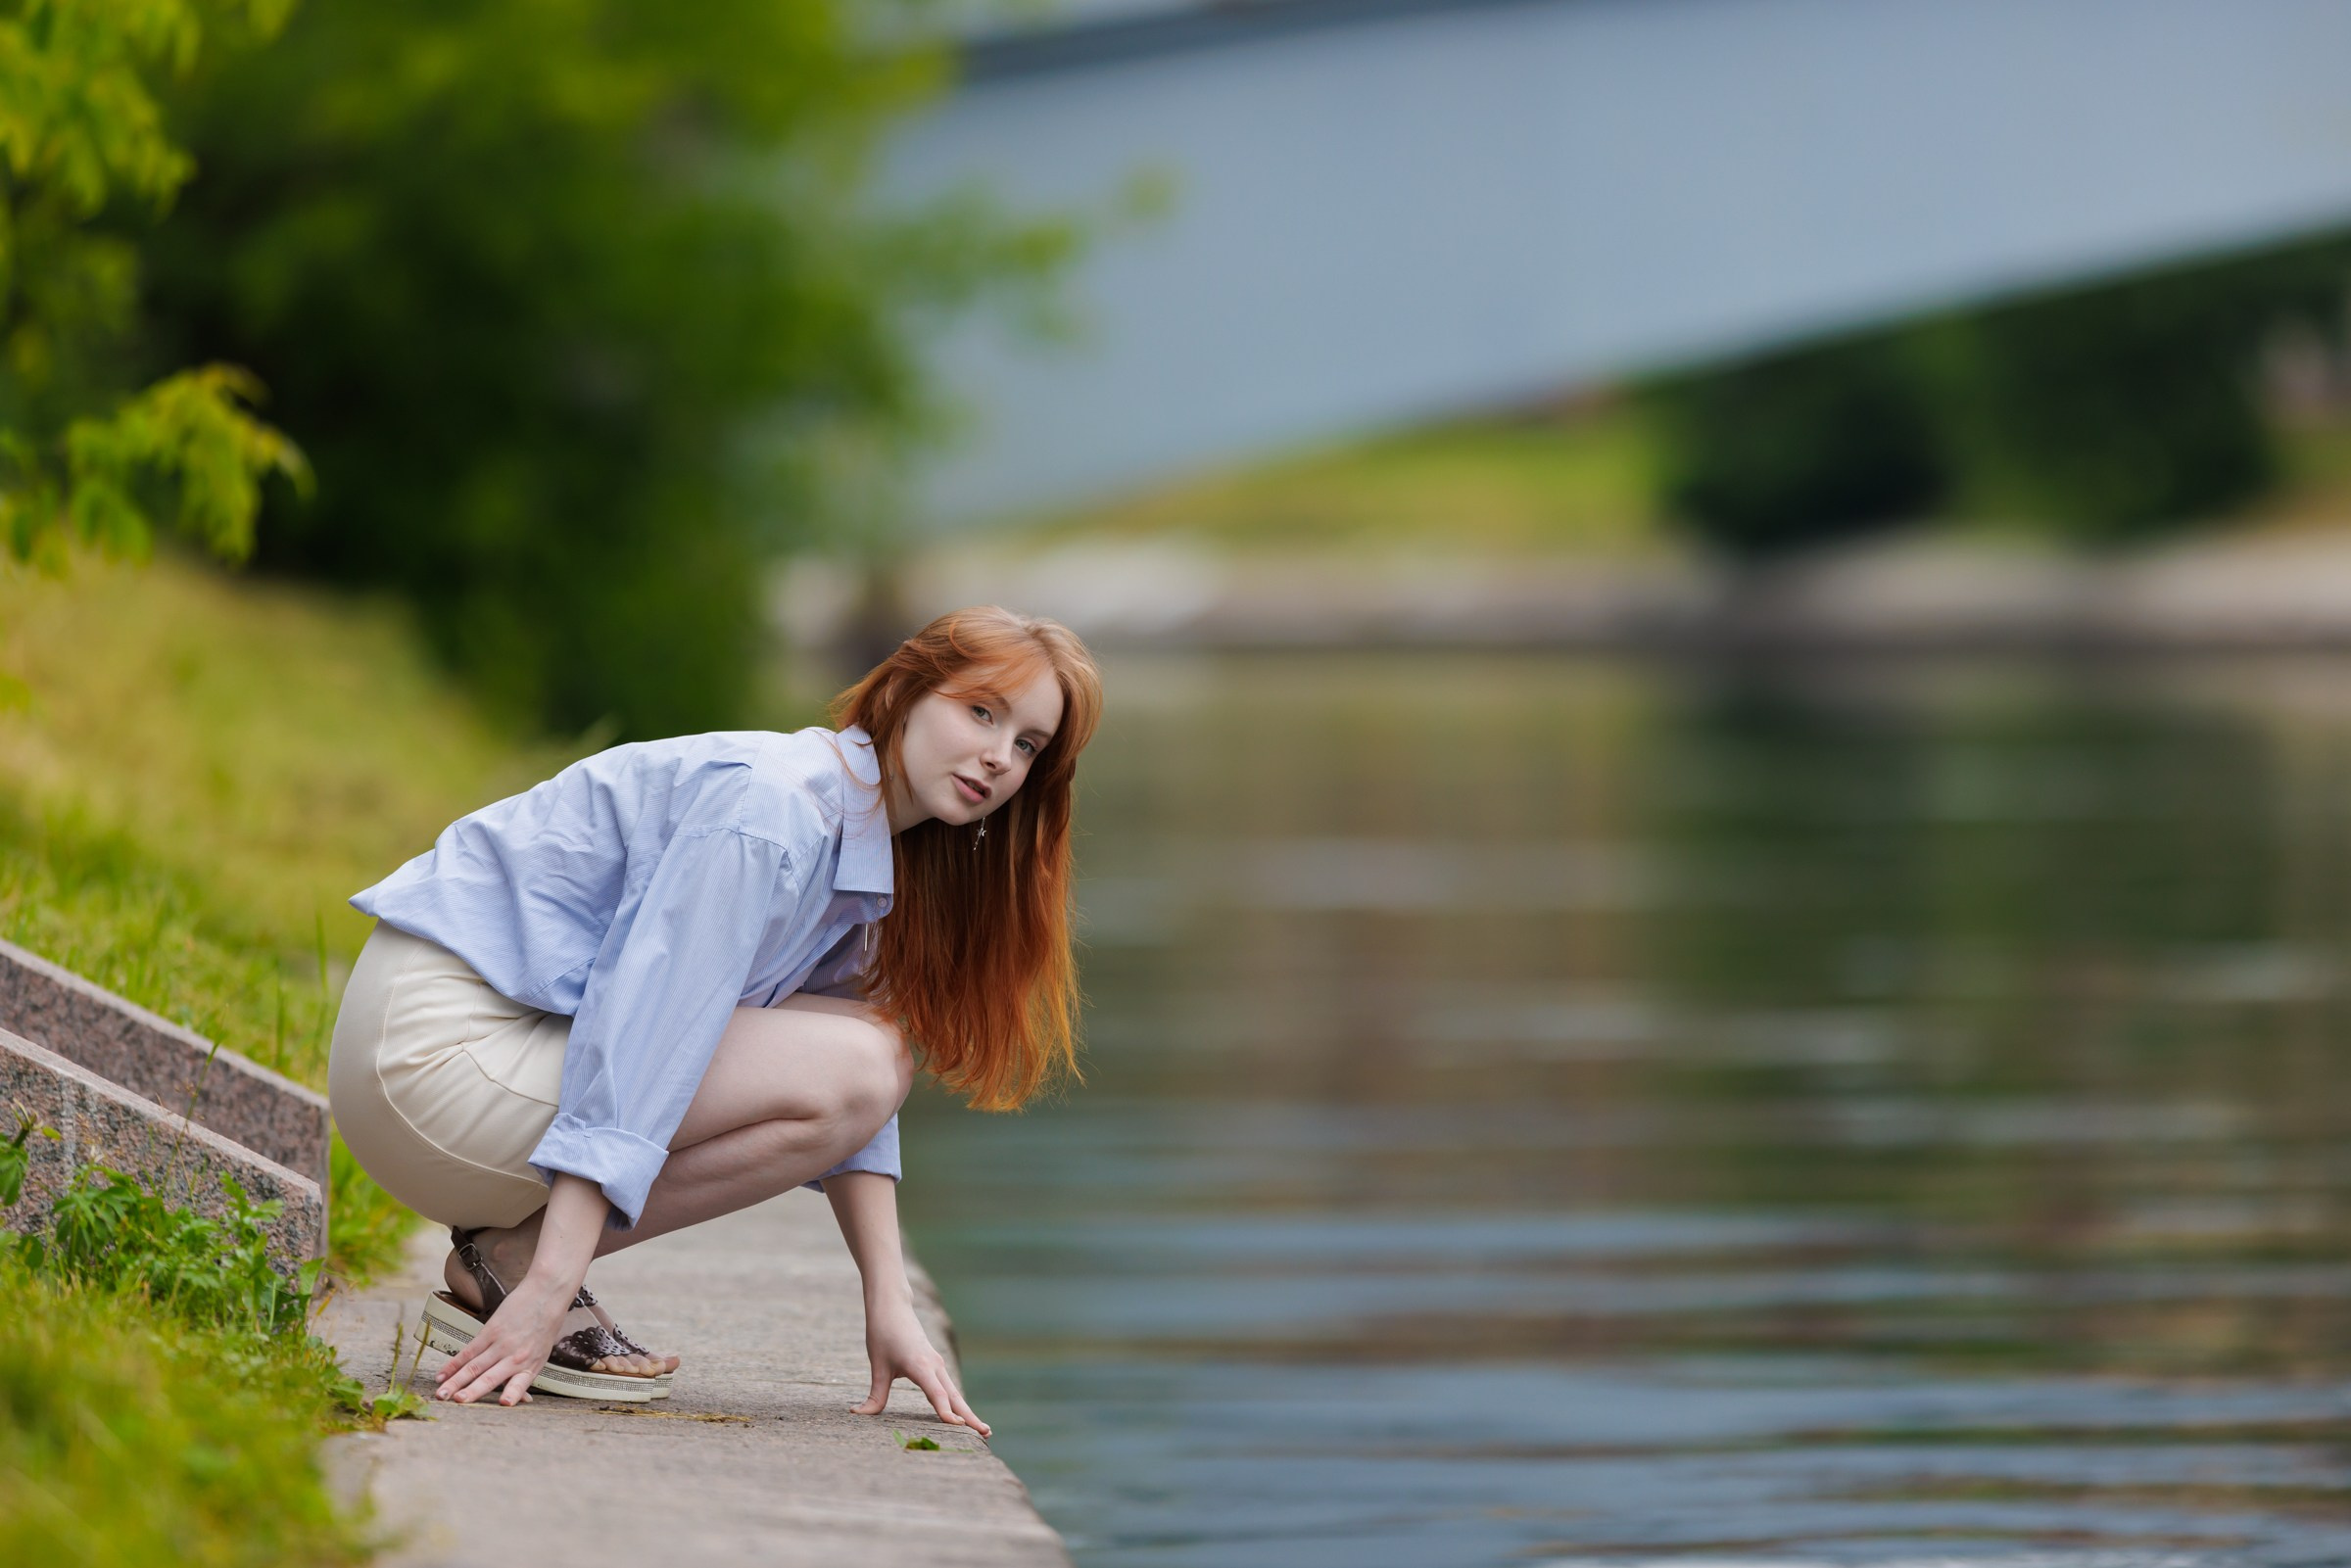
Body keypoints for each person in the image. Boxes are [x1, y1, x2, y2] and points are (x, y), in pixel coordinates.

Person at [326, 605, 1102, 1424]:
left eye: (1028, 744)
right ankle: (523, 1263)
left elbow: (854, 1102)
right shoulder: (776, 810)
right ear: (907, 692)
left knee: (869, 1051)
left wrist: (890, 1302)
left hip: (469, 1055)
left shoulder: (861, 842)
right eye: (980, 711)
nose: (999, 756)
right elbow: (645, 1033)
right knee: (869, 1060)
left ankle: (514, 1253)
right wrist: (554, 1283)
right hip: (432, 1056)